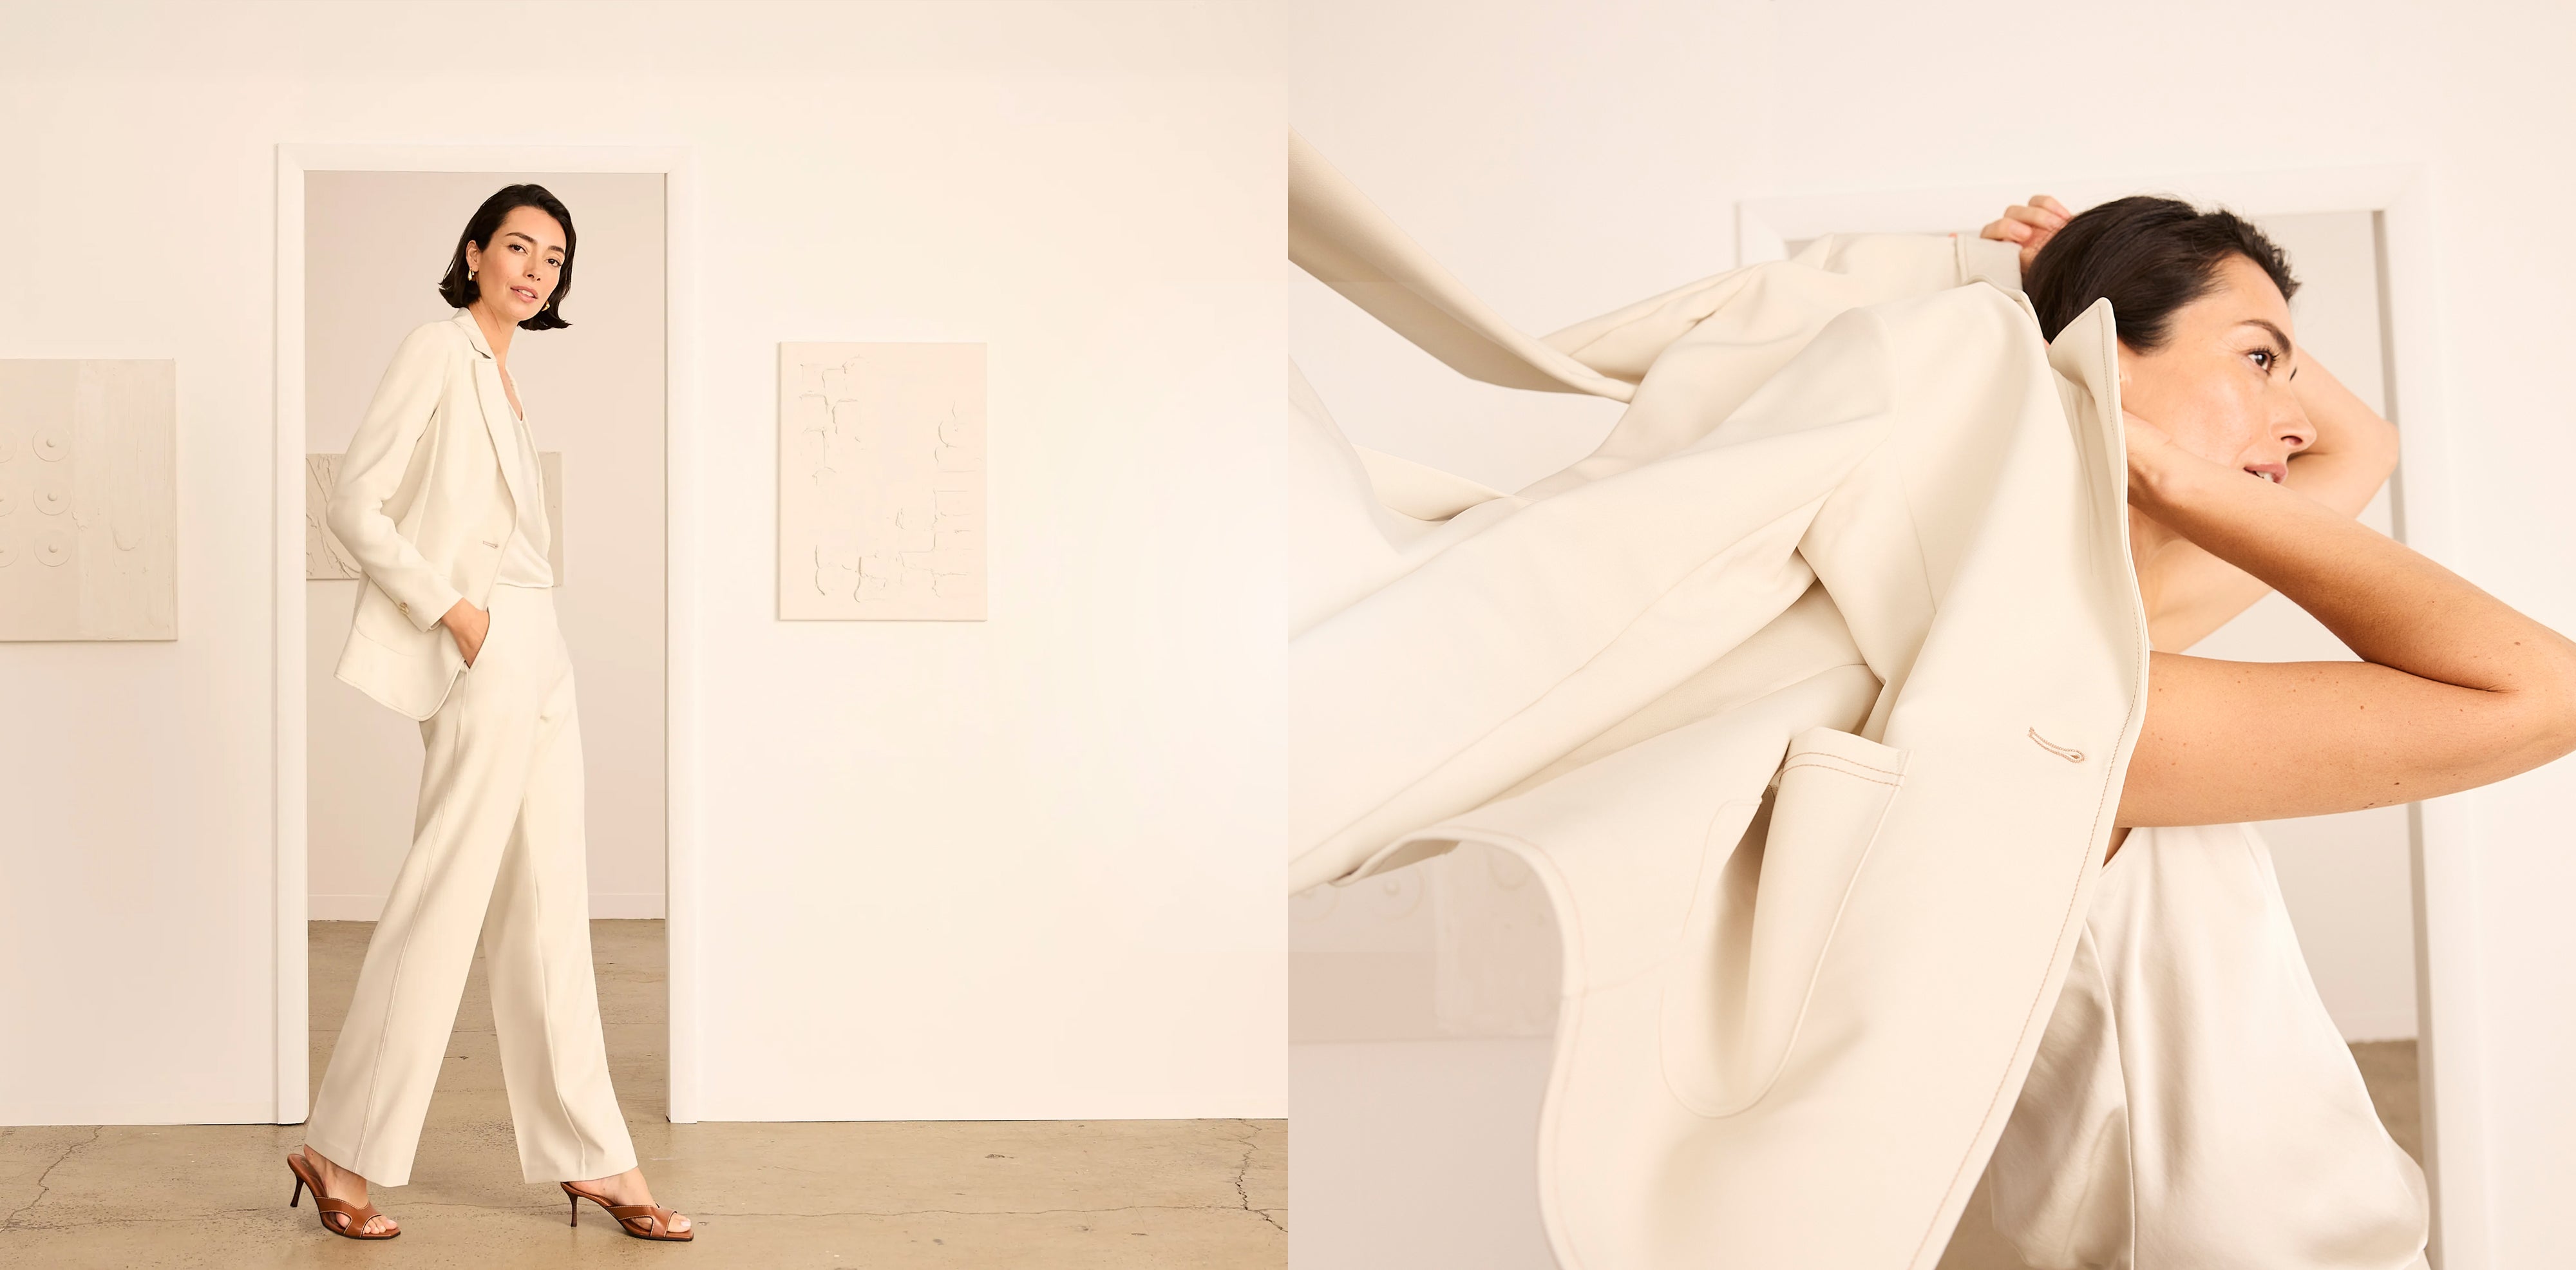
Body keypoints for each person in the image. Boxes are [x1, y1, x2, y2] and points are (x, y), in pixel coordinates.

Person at [1968, 194, 2571, 1268]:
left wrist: (2161, 366)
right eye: (2258, 362)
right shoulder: (2064, 694)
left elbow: (2363, 446)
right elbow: (2546, 695)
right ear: (2104, 359)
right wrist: (2159, 461)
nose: (2296, 419)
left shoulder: (2087, 631)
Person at [282, 184, 690, 1243]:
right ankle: (341, 1148)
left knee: (551, 900)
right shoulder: (438, 348)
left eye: (553, 258)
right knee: (449, 891)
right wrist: (455, 614)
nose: (534, 269)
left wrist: (512, 626)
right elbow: (351, 500)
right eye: (517, 246)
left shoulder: (506, 375)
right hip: (486, 641)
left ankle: (594, 1157)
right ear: (474, 251)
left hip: (540, 643)